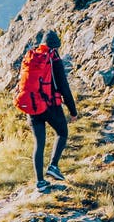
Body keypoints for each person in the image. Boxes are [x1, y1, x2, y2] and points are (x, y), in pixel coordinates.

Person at [24, 30, 77, 193]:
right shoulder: (54, 60)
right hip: (50, 105)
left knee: (38, 144)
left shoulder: (31, 56)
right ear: (55, 47)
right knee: (62, 132)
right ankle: (53, 166)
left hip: (32, 106)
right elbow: (64, 89)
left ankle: (40, 182)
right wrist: (73, 111)